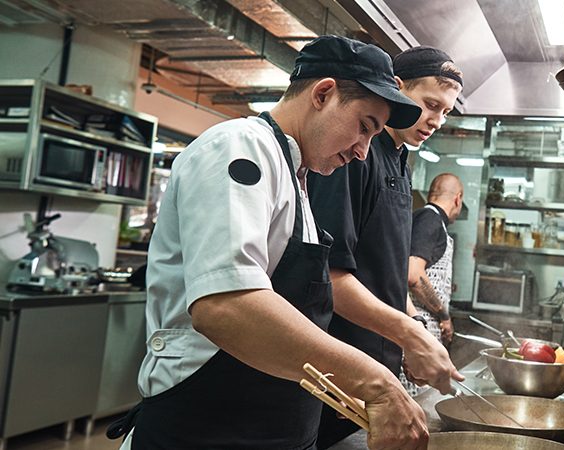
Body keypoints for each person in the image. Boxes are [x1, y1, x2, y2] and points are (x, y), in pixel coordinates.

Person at [107, 35, 430, 450]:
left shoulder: (297, 177)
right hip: (205, 429)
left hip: (268, 429)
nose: (363, 152)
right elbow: (227, 306)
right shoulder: (240, 146)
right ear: (324, 93)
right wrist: (377, 383)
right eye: (364, 127)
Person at [307, 46, 465, 447]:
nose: (436, 120)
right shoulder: (351, 154)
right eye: (430, 104)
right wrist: (410, 336)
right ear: (396, 89)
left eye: (445, 111)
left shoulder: (400, 161)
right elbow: (330, 275)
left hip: (375, 372)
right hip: (337, 370)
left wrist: (413, 333)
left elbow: (386, 271)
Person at [401, 173, 463, 396]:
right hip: (416, 330)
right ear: (458, 199)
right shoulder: (430, 220)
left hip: (417, 334)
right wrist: (443, 314)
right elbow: (413, 274)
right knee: (412, 403)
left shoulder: (424, 218)